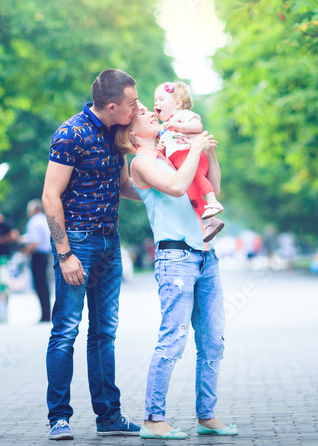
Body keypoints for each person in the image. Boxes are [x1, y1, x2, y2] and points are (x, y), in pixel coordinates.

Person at [115, 104, 237, 439]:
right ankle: (153, 419)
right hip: (176, 260)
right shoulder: (141, 162)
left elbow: (212, 186)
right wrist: (195, 148)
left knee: (213, 341)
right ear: (131, 130)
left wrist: (206, 150)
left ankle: (207, 415)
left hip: (204, 255)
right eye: (141, 112)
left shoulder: (170, 154)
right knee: (173, 340)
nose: (150, 112)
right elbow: (176, 188)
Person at [42, 68, 143, 441]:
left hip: (109, 242)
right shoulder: (71, 133)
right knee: (66, 331)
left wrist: (163, 195)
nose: (138, 108)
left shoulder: (116, 132)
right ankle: (59, 417)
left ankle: (109, 417)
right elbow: (50, 196)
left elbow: (122, 185)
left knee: (104, 333)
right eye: (132, 103)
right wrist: (65, 253)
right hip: (78, 243)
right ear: (112, 105)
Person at [153, 81, 224, 242]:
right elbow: (167, 147)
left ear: (178, 103)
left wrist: (178, 125)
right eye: (155, 100)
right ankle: (211, 221)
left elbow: (197, 126)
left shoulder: (182, 115)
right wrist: (161, 148)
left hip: (188, 153)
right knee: (191, 194)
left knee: (198, 177)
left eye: (161, 99)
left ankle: (213, 201)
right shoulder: (164, 127)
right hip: (179, 162)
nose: (156, 103)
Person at [21, 198, 53, 323]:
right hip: (45, 254)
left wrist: (24, 253)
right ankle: (46, 312)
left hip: (38, 255)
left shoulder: (34, 222)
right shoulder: (45, 220)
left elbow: (35, 242)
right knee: (43, 285)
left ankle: (45, 314)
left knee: (40, 285)